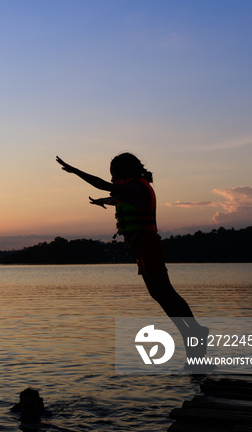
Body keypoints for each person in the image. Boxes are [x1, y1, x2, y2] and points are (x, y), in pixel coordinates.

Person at [56, 153, 208, 358]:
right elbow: (116, 196)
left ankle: (196, 332)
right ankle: (189, 334)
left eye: (113, 174)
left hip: (148, 245)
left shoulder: (135, 187)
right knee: (158, 294)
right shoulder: (131, 189)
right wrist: (103, 201)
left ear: (123, 171)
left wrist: (75, 171)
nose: (111, 179)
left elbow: (104, 185)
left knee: (166, 292)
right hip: (140, 247)